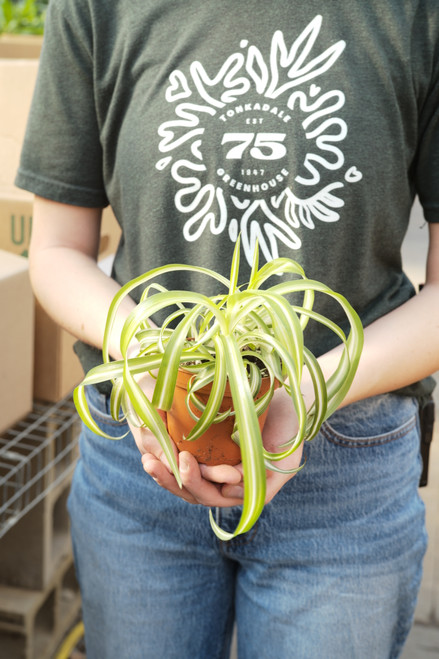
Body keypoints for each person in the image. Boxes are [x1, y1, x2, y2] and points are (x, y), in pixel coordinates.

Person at [16, 1, 439, 657]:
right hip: (143, 454)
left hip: (343, 471)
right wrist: (161, 362)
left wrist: (301, 394)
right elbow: (56, 250)